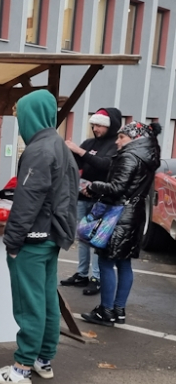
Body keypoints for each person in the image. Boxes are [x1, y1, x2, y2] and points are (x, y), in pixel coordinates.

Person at [0, 90, 78, 384]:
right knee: (47, 301)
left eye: (19, 114)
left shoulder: (38, 151)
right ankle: (42, 360)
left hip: (33, 240)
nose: (18, 120)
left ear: (30, 116)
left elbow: (27, 201)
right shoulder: (60, 146)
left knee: (29, 305)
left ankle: (21, 368)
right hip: (51, 237)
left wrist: (12, 241)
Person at [81, 121, 161, 327]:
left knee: (106, 260)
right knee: (124, 263)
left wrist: (93, 186)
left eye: (122, 137)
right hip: (134, 214)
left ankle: (106, 311)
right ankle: (118, 310)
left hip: (118, 214)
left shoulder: (129, 156)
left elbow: (117, 187)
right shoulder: (147, 155)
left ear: (135, 138)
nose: (117, 141)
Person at [62, 108, 121, 296]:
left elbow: (105, 165)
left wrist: (80, 151)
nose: (95, 128)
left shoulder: (115, 145)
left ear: (110, 126)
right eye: (93, 125)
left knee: (97, 238)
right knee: (82, 238)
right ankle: (82, 273)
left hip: (102, 199)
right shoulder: (89, 142)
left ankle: (96, 277)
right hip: (83, 195)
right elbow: (78, 165)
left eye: (99, 125)